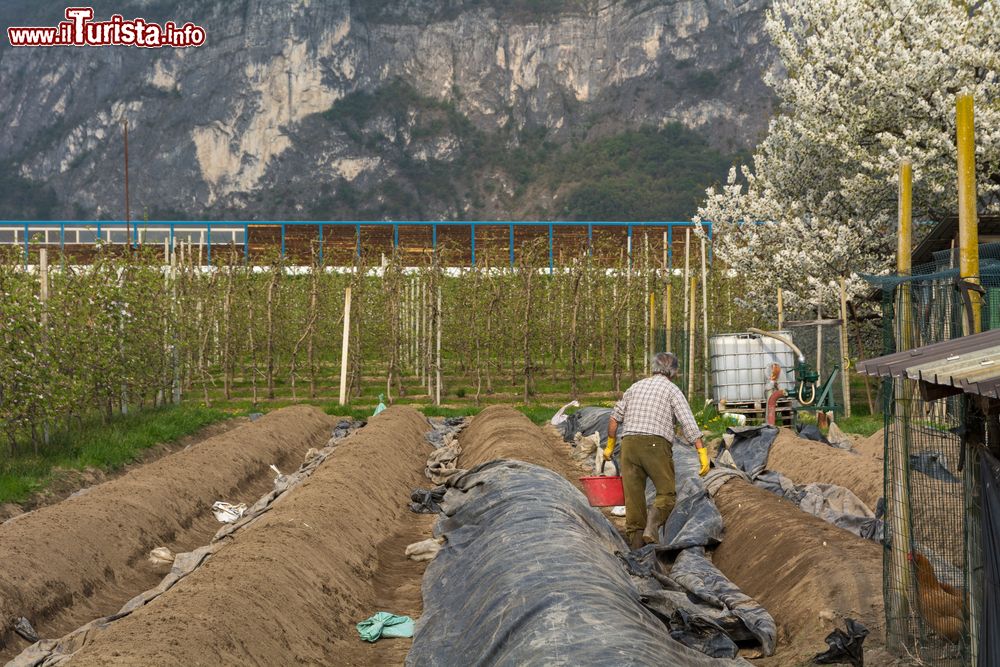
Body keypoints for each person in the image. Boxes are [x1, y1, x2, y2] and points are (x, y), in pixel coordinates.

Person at [603, 352, 709, 550]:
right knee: (666, 494)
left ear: (653, 368)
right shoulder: (672, 390)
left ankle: (637, 549)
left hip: (629, 445)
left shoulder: (635, 387)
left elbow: (614, 418)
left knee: (633, 498)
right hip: (655, 445)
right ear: (674, 372)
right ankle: (652, 525)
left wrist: (609, 446)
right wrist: (701, 452)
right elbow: (688, 423)